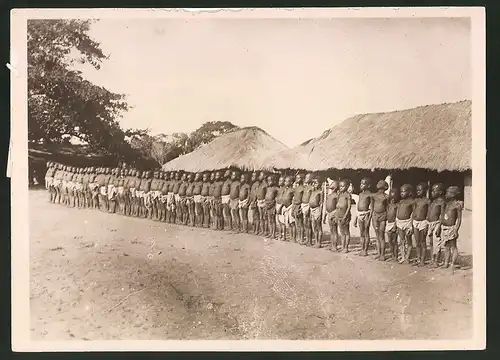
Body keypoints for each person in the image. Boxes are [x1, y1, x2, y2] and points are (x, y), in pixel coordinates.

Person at [441, 186, 463, 271]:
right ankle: (446, 262)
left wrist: (456, 229)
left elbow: (459, 219)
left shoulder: (457, 205)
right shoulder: (446, 204)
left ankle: (453, 264)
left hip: (451, 228)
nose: (446, 194)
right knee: (446, 246)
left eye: (448, 192)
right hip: (445, 227)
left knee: (453, 246)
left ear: (454, 195)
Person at [427, 183, 446, 267]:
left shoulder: (442, 202)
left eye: (435, 191)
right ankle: (432, 259)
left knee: (437, 243)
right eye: (432, 190)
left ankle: (436, 261)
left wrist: (439, 227)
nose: (432, 192)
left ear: (440, 192)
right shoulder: (433, 201)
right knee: (431, 242)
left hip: (436, 223)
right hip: (430, 224)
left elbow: (442, 215)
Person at [413, 182, 431, 266]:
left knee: (423, 241)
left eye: (420, 190)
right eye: (417, 190)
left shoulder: (427, 201)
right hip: (415, 222)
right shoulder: (416, 200)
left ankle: (423, 260)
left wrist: (427, 224)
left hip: (423, 222)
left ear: (424, 190)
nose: (418, 191)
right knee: (417, 242)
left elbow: (428, 213)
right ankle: (418, 258)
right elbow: (414, 212)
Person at [396, 184, 415, 264]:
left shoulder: (412, 202)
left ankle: (407, 257)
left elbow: (413, 214)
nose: (402, 193)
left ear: (409, 192)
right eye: (401, 191)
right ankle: (403, 257)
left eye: (404, 191)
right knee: (401, 241)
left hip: (407, 223)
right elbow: (397, 212)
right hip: (399, 223)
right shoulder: (400, 202)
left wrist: (411, 225)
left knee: (409, 241)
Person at [355, 178, 373, 256]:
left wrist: (369, 219)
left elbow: (372, 208)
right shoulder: (360, 194)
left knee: (366, 233)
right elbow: (357, 206)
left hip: (366, 214)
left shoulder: (370, 194)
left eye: (363, 184)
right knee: (361, 233)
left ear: (368, 185)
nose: (361, 185)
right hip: (359, 214)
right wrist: (356, 218)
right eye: (361, 183)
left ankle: (365, 250)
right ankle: (362, 249)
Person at [372, 180, 389, 261]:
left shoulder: (386, 197)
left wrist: (386, 217)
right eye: (378, 183)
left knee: (381, 236)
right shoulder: (374, 196)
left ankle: (382, 254)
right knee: (377, 236)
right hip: (375, 216)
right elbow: (372, 208)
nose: (379, 184)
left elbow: (388, 207)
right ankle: (379, 253)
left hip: (383, 216)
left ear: (385, 186)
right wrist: (372, 218)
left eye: (381, 183)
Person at [336, 179, 352, 253]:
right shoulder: (339, 194)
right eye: (340, 186)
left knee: (346, 232)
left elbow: (349, 206)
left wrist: (345, 216)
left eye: (342, 186)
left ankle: (346, 247)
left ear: (346, 187)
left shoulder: (348, 195)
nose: (341, 187)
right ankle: (343, 247)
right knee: (342, 233)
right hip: (339, 215)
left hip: (345, 216)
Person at [308, 175, 324, 248]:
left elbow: (321, 203)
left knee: (318, 226)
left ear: (320, 183)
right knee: (314, 226)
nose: (314, 184)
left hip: (317, 209)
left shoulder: (320, 192)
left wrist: (320, 213)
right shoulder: (313, 191)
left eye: (316, 183)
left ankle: (319, 243)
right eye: (313, 183)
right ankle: (316, 241)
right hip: (312, 210)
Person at [324, 180, 339, 251]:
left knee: (334, 230)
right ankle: (332, 244)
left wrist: (335, 214)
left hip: (334, 213)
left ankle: (335, 246)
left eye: (333, 184)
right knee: (331, 230)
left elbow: (338, 206)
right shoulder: (329, 195)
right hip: (329, 213)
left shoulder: (337, 196)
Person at [386, 188, 399, 262]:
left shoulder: (397, 205)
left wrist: (395, 226)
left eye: (395, 198)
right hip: (389, 224)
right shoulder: (388, 205)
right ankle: (392, 255)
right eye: (392, 197)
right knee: (390, 241)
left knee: (394, 241)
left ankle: (396, 256)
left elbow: (397, 216)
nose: (393, 199)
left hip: (394, 224)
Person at [291, 173, 305, 243]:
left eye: (298, 178)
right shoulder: (295, 188)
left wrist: (301, 208)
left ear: (302, 179)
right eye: (296, 178)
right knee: (297, 223)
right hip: (295, 206)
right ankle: (299, 237)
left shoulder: (303, 188)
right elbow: (294, 198)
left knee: (301, 223)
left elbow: (303, 199)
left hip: (299, 206)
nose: (297, 179)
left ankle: (302, 238)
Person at [301, 173, 314, 245]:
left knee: (308, 224)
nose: (305, 178)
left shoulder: (312, 188)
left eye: (307, 177)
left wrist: (308, 208)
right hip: (303, 206)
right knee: (305, 224)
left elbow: (311, 199)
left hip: (308, 206)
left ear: (311, 179)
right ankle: (307, 239)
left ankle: (310, 240)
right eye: (305, 177)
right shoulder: (306, 187)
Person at [264, 174, 279, 239]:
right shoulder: (268, 188)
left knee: (273, 220)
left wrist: (273, 204)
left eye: (270, 181)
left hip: (272, 206)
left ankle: (273, 234)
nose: (269, 182)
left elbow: (277, 198)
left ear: (274, 181)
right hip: (267, 205)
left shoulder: (276, 188)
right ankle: (270, 233)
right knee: (269, 220)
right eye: (268, 181)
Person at [281, 176, 295, 241]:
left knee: (292, 223)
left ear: (291, 182)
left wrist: (290, 207)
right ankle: (290, 236)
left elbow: (294, 199)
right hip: (285, 207)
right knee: (288, 223)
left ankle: (293, 237)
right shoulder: (285, 189)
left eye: (287, 181)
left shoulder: (292, 190)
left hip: (290, 207)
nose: (285, 182)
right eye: (285, 181)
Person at [275, 175, 286, 240]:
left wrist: (280, 207)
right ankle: (280, 234)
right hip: (277, 205)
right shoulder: (279, 189)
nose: (279, 182)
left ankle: (283, 235)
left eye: (281, 181)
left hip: (282, 206)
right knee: (278, 221)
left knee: (282, 222)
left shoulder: (284, 189)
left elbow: (284, 200)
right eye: (279, 180)